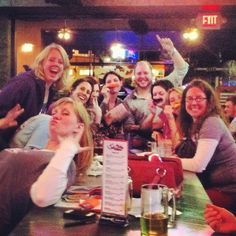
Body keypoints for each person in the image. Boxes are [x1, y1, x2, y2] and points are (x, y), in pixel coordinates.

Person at [0, 97, 93, 234]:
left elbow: (42, 197)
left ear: (79, 127)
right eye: (54, 112)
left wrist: (67, 149)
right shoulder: (36, 151)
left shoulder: (64, 163)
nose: (56, 116)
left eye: (65, 113)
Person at [176, 79, 236, 212]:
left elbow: (198, 165)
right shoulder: (195, 124)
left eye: (199, 98)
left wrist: (169, 161)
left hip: (230, 190)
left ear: (209, 101)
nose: (193, 103)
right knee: (175, 195)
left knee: (184, 204)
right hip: (215, 185)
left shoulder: (211, 122)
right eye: (189, 99)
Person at [0, 43, 70, 150]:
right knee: (47, 121)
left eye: (60, 62)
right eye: (51, 60)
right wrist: (3, 122)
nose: (56, 64)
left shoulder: (49, 90)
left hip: (17, 142)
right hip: (5, 144)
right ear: (41, 63)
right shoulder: (24, 82)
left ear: (63, 70)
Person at [123, 35, 188, 149]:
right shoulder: (129, 100)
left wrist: (172, 51)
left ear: (152, 75)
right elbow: (129, 126)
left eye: (146, 73)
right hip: (146, 146)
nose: (142, 76)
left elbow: (182, 69)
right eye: (139, 73)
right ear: (134, 77)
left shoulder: (163, 85)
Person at [99, 71, 128, 138]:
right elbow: (99, 122)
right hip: (100, 141)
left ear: (121, 83)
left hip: (117, 142)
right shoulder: (98, 100)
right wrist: (105, 99)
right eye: (109, 82)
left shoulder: (122, 103)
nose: (112, 83)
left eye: (115, 80)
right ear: (104, 85)